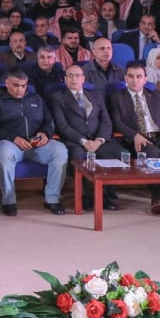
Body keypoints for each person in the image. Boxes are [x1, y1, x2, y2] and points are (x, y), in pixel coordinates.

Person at [107, 61, 160, 217]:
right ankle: (156, 198)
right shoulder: (116, 97)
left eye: (139, 76)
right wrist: (134, 135)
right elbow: (117, 123)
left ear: (145, 79)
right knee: (153, 153)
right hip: (137, 138)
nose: (135, 80)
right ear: (125, 78)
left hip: (159, 135)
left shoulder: (155, 95)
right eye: (131, 76)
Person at [0, 69, 68, 216]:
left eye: (23, 86)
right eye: (16, 85)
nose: (20, 89)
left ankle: (52, 199)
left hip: (36, 144)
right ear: (7, 83)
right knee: (3, 151)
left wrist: (45, 133)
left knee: (60, 150)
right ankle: (8, 200)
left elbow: (49, 121)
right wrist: (13, 138)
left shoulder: (36, 98)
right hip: (12, 144)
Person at [48, 64, 124, 211]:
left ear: (83, 78)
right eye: (70, 76)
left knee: (116, 152)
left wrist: (99, 140)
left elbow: (106, 121)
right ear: (65, 79)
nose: (74, 79)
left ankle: (106, 195)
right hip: (75, 141)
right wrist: (83, 141)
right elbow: (62, 126)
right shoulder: (57, 97)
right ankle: (85, 195)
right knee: (77, 156)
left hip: (97, 140)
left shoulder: (96, 95)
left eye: (77, 75)